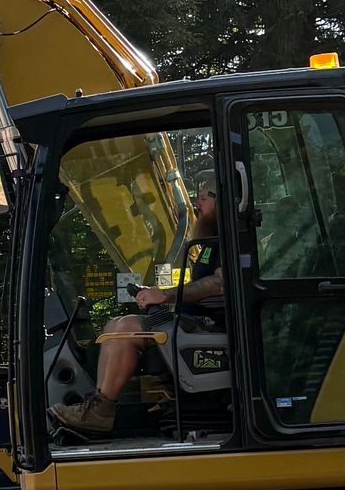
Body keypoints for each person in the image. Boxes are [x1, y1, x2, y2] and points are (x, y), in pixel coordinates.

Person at [58, 186, 223, 437]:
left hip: (212, 324)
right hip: (192, 319)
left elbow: (219, 284)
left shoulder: (230, 239)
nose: (197, 200)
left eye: (206, 195)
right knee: (115, 324)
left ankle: (100, 412)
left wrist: (165, 295)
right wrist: (157, 292)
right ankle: (97, 405)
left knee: (125, 329)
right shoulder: (209, 241)